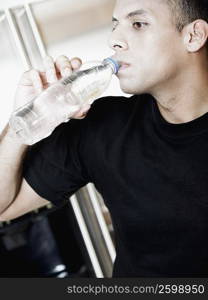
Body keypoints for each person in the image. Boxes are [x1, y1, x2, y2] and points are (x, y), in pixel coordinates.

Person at [0, 0, 208, 277]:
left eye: (138, 24)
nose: (114, 40)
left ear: (193, 36)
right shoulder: (102, 124)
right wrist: (22, 122)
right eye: (114, 26)